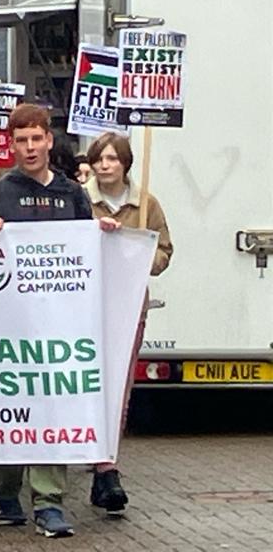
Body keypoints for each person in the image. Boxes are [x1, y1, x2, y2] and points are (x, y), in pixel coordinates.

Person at [0, 104, 120, 539]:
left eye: (37, 138)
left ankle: (49, 501)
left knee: (51, 407)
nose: (30, 147)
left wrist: (105, 233)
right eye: (22, 140)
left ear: (49, 141)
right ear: (12, 144)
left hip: (56, 326)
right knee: (12, 410)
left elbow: (85, 248)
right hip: (7, 326)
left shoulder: (72, 196)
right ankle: (5, 490)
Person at [84, 132, 172, 514]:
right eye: (99, 159)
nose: (105, 165)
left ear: (125, 164)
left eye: (112, 159)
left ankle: (107, 468)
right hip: (85, 306)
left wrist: (138, 252)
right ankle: (97, 460)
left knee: (119, 390)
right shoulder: (79, 199)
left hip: (129, 308)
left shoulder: (145, 203)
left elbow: (164, 250)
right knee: (90, 384)